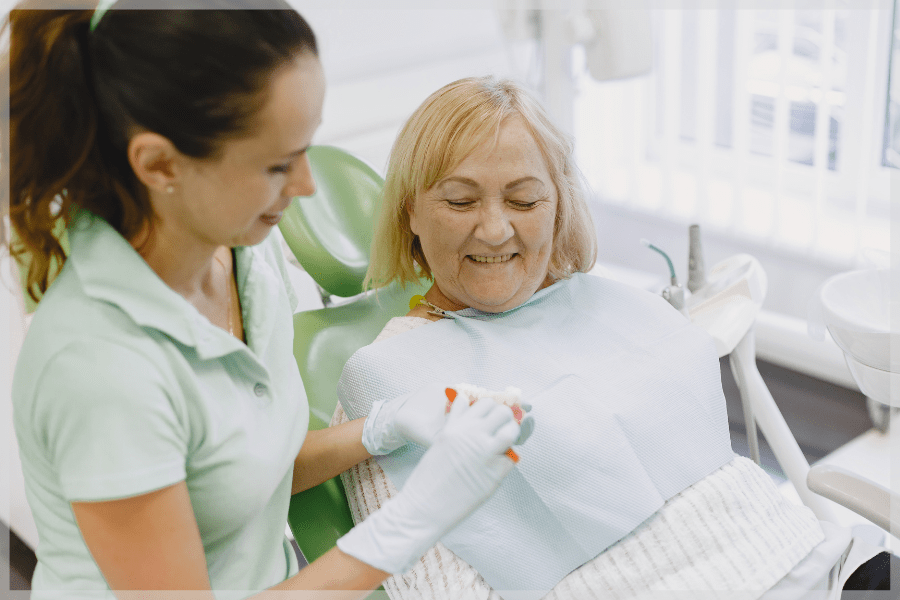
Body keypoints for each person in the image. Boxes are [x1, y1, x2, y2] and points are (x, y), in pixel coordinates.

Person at [5, 4, 531, 598]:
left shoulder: (242, 261)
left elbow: (237, 476)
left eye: (306, 148)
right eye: (278, 164)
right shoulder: (100, 368)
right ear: (158, 164)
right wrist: (410, 524)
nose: (307, 185)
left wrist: (380, 429)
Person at [331, 76, 884, 600]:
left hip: (818, 564)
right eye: (460, 202)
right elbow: (436, 588)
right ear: (410, 212)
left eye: (524, 201)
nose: (496, 229)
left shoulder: (606, 302)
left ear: (558, 207)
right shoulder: (390, 381)